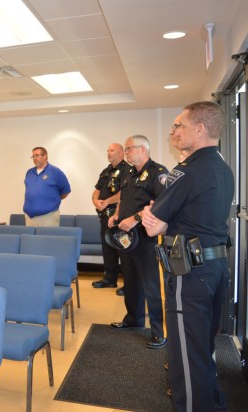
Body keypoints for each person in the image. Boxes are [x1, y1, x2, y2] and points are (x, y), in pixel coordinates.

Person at [142, 101, 233, 412]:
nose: (173, 131)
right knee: (201, 351)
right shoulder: (223, 167)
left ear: (200, 129)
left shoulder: (188, 170)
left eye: (179, 125)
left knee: (187, 359)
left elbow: (155, 224)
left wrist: (148, 215)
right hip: (216, 267)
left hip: (190, 274)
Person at [109, 135, 168, 349]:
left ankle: (158, 333)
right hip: (126, 238)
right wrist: (116, 215)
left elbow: (161, 204)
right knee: (131, 281)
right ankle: (133, 319)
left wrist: (134, 219)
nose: (126, 153)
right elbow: (124, 198)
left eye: (128, 149)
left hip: (145, 238)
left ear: (143, 148)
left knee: (150, 285)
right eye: (125, 150)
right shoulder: (129, 173)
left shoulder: (157, 172)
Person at [91, 143, 130, 291]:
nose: (109, 152)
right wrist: (96, 201)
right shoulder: (106, 171)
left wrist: (107, 201)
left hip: (119, 216)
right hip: (105, 217)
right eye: (107, 150)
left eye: (112, 150)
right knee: (107, 249)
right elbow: (96, 190)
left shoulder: (127, 170)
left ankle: (129, 284)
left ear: (121, 153)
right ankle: (110, 279)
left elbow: (124, 193)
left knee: (123, 250)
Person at [23, 146, 71, 227]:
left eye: (37, 155)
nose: (35, 158)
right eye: (33, 156)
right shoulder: (29, 172)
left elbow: (65, 192)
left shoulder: (56, 172)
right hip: (29, 217)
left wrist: (51, 201)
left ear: (45, 156)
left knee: (48, 239)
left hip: (48, 217)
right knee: (30, 240)